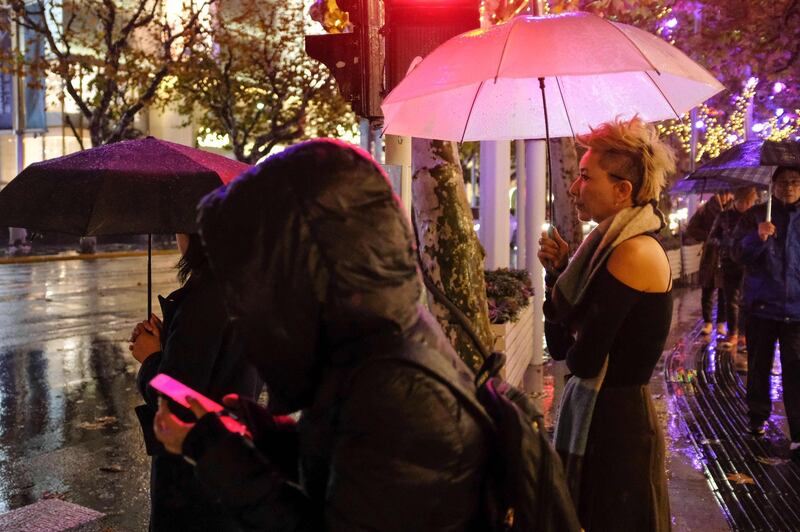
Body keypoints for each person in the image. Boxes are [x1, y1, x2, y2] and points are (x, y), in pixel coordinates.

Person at [149, 140, 488, 530]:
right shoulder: (372, 349)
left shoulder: (398, 391)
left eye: (264, 269)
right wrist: (261, 432)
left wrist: (209, 451)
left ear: (308, 265)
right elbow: (341, 462)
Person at [538, 116, 674, 531]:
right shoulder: (601, 252)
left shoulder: (632, 253)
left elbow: (582, 359)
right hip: (601, 422)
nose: (575, 188)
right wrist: (557, 273)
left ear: (622, 190)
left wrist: (569, 306)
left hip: (618, 431)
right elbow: (563, 348)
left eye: (584, 177)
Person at [129, 233, 261, 531]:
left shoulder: (205, 296)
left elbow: (179, 398)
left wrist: (151, 359)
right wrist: (168, 344)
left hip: (193, 485)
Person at [732, 166, 800, 462]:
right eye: (783, 182)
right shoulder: (756, 215)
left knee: (796, 372)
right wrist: (756, 238)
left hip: (796, 311)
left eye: (795, 182)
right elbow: (735, 253)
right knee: (759, 366)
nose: (789, 187)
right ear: (772, 185)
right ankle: (756, 418)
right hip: (761, 307)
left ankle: (798, 433)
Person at [708, 186, 759, 352]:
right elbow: (712, 237)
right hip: (729, 262)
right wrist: (725, 244)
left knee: (747, 300)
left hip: (749, 263)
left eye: (751, 202)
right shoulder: (725, 216)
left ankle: (745, 334)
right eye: (745, 202)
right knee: (731, 299)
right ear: (737, 200)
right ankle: (733, 333)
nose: (748, 205)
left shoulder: (756, 217)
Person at [686, 191, 733, 335]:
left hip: (727, 253)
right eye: (723, 193)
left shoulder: (734, 209)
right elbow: (691, 228)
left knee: (724, 291)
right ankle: (707, 322)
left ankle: (721, 322)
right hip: (710, 253)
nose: (726, 196)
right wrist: (708, 236)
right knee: (707, 288)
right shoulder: (705, 208)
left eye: (729, 193)